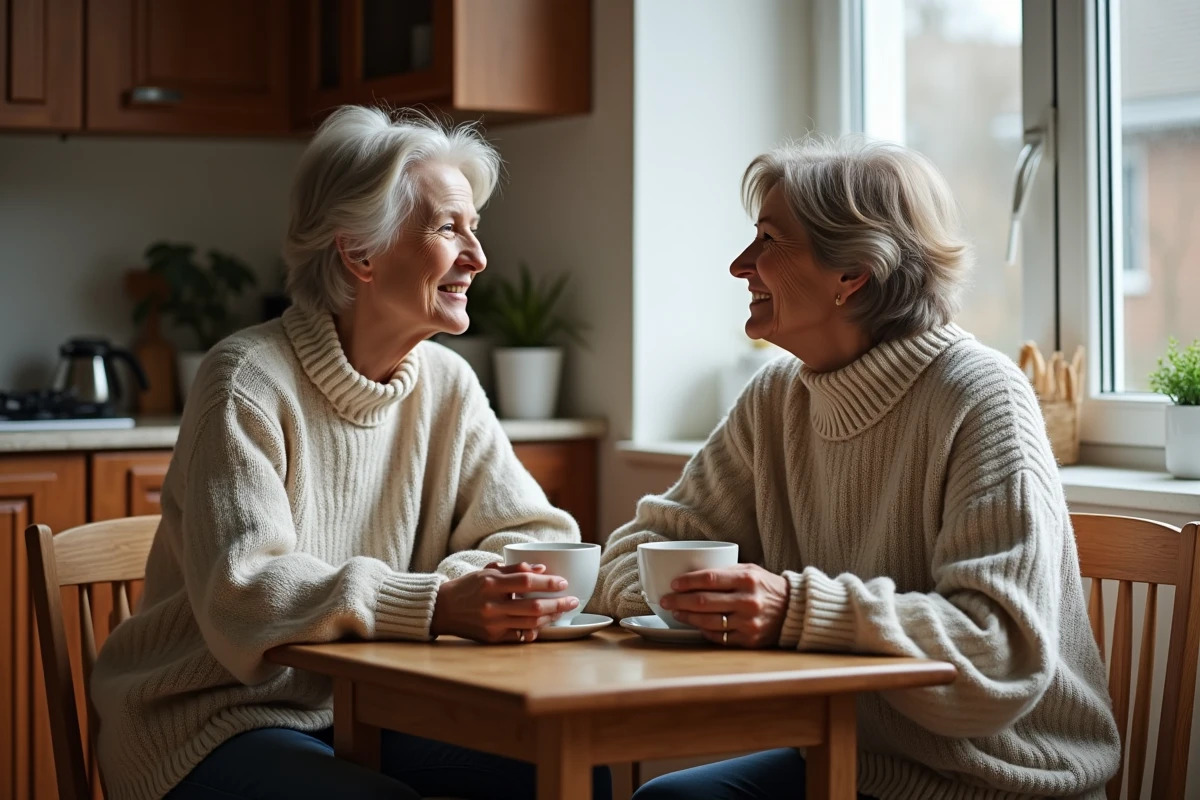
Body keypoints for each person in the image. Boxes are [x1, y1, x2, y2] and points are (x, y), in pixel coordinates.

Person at [91, 106, 611, 800]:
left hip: (370, 709)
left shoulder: (446, 382)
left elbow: (539, 535)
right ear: (360, 253)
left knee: (570, 775)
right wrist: (435, 605)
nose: (478, 257)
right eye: (449, 228)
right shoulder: (246, 379)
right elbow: (245, 594)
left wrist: (455, 586)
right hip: (213, 720)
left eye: (474, 230)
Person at [597, 136, 1120, 800]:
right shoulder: (777, 397)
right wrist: (700, 602)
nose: (739, 265)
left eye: (767, 241)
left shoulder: (979, 396)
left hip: (1001, 783)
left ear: (852, 275)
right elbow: (635, 555)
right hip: (849, 766)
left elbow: (997, 659)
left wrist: (793, 611)